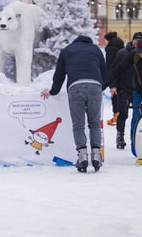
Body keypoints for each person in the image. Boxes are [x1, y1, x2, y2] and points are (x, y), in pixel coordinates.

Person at [41, 35, 108, 172]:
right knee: (94, 123)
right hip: (95, 86)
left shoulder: (67, 50)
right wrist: (101, 87)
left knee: (78, 124)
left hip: (75, 87)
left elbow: (59, 75)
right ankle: (96, 155)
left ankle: (82, 156)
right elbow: (105, 73)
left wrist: (53, 91)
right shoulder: (96, 50)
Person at [107, 31, 142, 149]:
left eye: (139, 40)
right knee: (123, 114)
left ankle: (137, 136)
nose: (136, 42)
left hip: (138, 90)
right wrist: (113, 85)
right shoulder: (122, 53)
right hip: (124, 88)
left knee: (139, 114)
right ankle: (120, 136)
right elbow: (114, 70)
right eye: (135, 40)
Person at [103, 31, 125, 126]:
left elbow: (110, 66)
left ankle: (116, 116)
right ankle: (119, 115)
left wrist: (112, 83)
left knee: (114, 94)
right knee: (120, 95)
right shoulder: (121, 46)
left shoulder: (110, 49)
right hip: (123, 75)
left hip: (114, 75)